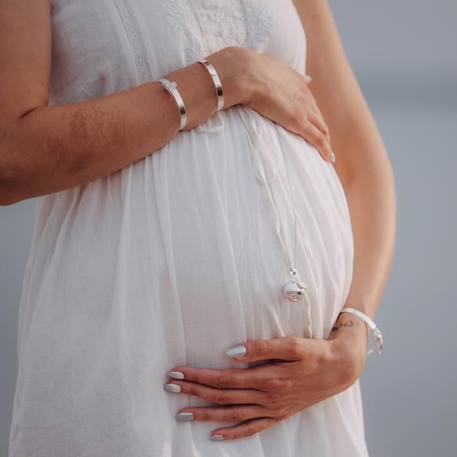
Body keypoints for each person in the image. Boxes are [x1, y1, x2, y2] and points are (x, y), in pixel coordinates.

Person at [0, 0, 396, 456]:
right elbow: (10, 155)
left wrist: (353, 338)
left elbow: (360, 167)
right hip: (134, 363)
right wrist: (223, 78)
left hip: (305, 391)